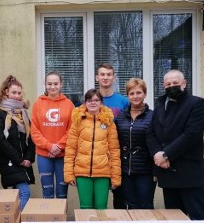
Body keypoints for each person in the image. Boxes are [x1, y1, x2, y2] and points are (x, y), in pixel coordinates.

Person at [146, 69, 204, 220]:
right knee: (174, 218)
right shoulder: (160, 105)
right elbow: (150, 133)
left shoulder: (197, 103)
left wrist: (166, 154)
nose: (171, 86)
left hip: (189, 172)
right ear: (163, 86)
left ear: (184, 83)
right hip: (167, 171)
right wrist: (157, 155)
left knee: (197, 216)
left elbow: (191, 134)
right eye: (168, 84)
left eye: (175, 83)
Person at [64, 88, 121, 210]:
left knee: (101, 207)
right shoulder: (78, 121)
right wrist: (69, 174)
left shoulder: (109, 123)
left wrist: (115, 177)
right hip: (82, 173)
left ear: (101, 102)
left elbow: (114, 151)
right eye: (89, 100)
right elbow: (70, 150)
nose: (93, 103)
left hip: (103, 173)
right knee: (85, 208)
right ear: (85, 103)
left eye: (96, 100)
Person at [0, 75, 35, 209]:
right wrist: (19, 159)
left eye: (19, 93)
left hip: (24, 162)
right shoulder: (0, 113)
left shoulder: (23, 113)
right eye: (13, 92)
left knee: (17, 194)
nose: (16, 96)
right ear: (6, 92)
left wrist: (29, 158)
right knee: (24, 192)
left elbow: (32, 137)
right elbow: (0, 139)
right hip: (10, 161)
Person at [30, 72, 75, 199]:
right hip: (44, 155)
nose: (52, 87)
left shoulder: (69, 104)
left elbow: (72, 130)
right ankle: (49, 218)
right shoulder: (38, 103)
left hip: (63, 155)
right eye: (49, 84)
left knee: (62, 194)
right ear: (45, 84)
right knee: (47, 194)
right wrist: (49, 146)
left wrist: (59, 146)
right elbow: (34, 130)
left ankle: (61, 218)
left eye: (56, 83)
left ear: (61, 84)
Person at [115, 78, 156, 209]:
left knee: (145, 205)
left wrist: (156, 171)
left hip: (146, 171)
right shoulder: (120, 117)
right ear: (127, 96)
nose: (135, 96)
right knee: (130, 206)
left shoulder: (153, 116)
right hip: (125, 170)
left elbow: (158, 144)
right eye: (131, 93)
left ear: (145, 94)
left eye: (139, 93)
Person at [95, 63, 129, 209]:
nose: (105, 77)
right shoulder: (91, 100)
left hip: (118, 152)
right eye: (102, 74)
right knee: (96, 198)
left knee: (119, 194)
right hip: (97, 153)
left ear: (114, 78)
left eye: (109, 74)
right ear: (97, 77)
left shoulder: (124, 101)